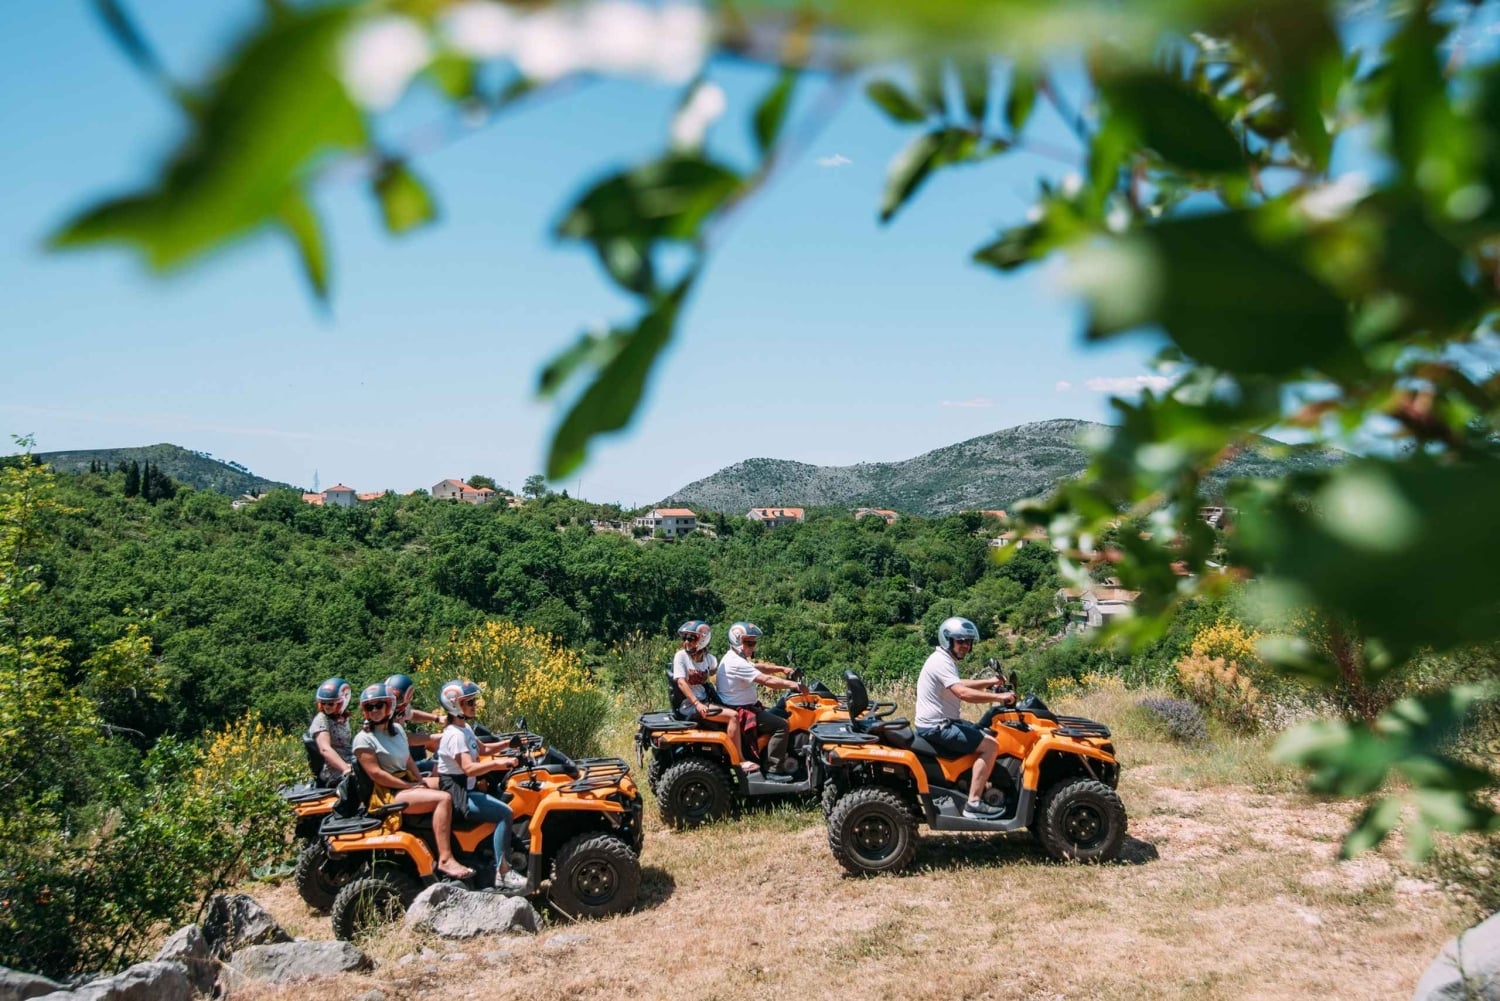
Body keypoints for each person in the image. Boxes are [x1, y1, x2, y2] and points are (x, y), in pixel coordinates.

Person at [351, 682, 472, 880]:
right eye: (369, 707)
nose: (374, 711)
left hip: (404, 782)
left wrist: (420, 780)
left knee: (448, 783)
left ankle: (464, 841)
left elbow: (407, 759)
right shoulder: (363, 739)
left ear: (389, 706)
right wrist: (409, 786)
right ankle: (445, 858)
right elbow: (376, 774)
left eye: (378, 705)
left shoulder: (397, 730)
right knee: (443, 799)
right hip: (387, 792)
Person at [914, 616, 1017, 820]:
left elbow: (957, 683)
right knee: (991, 746)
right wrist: (999, 696)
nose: (965, 646)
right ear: (948, 640)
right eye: (960, 641)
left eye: (968, 642)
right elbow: (962, 693)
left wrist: (987, 682)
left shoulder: (943, 659)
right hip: (938, 727)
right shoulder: (941, 661)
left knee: (982, 730)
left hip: (940, 723)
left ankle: (974, 783)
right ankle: (973, 804)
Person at [436, 679, 527, 892]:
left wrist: (508, 744)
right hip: (460, 794)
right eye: (469, 702)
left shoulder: (464, 727)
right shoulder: (454, 735)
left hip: (466, 789)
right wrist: (499, 763)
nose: (474, 705)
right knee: (505, 812)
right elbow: (468, 768)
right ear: (454, 706)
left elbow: (483, 749)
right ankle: (503, 872)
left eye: (473, 700)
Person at [715, 622, 808, 780]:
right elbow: (765, 680)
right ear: (737, 641)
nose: (753, 647)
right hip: (742, 711)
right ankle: (774, 769)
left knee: (778, 712)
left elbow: (758, 667)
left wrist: (781, 669)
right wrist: (794, 685)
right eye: (749, 643)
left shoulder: (735, 657)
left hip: (745, 707)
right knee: (782, 725)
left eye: (754, 642)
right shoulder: (736, 662)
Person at [671, 620, 755, 774]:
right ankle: (739, 761)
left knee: (738, 711)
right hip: (690, 705)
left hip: (704, 702)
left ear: (703, 639)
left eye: (691, 638)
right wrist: (697, 703)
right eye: (685, 638)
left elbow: (718, 671)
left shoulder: (709, 659)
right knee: (733, 716)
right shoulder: (681, 657)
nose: (687, 642)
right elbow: (681, 682)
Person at [309, 677, 355, 787]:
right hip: (333, 770)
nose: (326, 706)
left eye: (330, 703)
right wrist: (345, 768)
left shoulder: (343, 718)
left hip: (350, 761)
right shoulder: (321, 719)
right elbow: (325, 749)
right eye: (323, 703)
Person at [385, 672, 440, 757]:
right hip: (390, 755)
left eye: (397, 697)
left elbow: (412, 714)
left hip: (396, 749)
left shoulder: (400, 708)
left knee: (428, 741)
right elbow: (405, 738)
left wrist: (437, 718)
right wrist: (437, 736)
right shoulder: (383, 713)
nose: (394, 701)